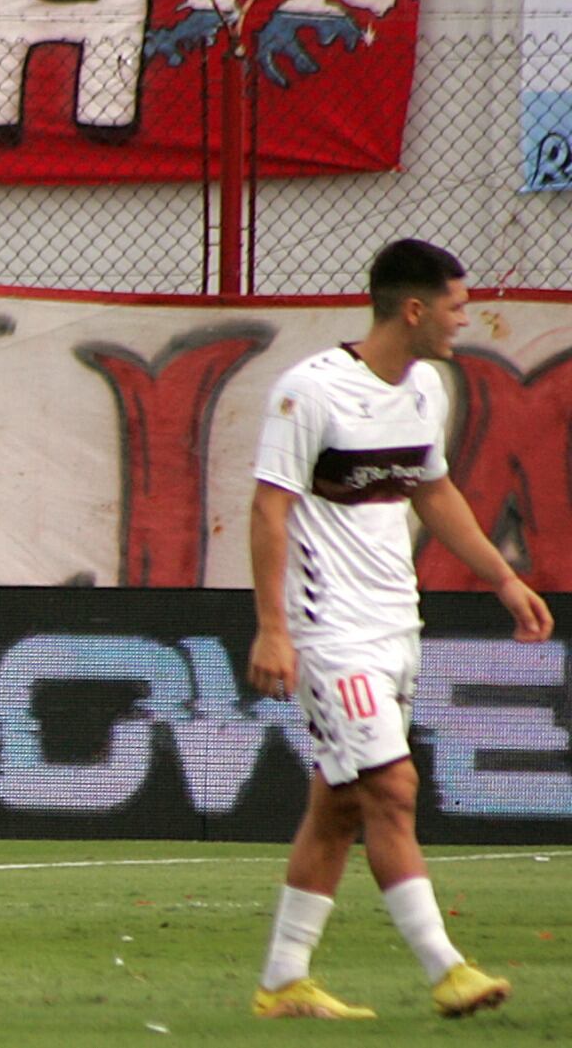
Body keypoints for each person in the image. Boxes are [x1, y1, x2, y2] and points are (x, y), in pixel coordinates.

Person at [246, 239, 553, 1019]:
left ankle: (284, 979)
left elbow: (434, 491)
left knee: (340, 804)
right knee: (392, 787)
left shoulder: (426, 389)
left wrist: (504, 578)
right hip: (330, 630)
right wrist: (272, 629)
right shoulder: (308, 393)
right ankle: (446, 967)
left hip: (395, 623)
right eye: (455, 304)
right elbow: (269, 509)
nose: (464, 317)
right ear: (413, 308)